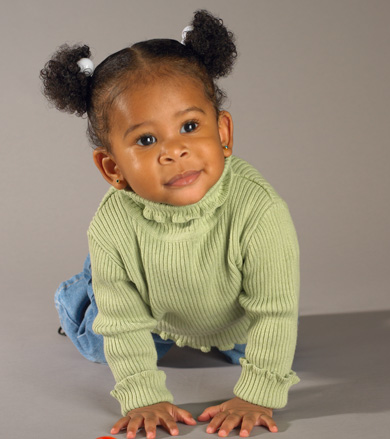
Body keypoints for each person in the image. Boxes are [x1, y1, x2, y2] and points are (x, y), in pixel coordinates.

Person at [41, 10, 300, 439]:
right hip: (154, 314)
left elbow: (274, 310)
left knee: (276, 347)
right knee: (97, 343)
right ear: (113, 168)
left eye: (190, 126)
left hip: (228, 319)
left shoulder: (259, 210)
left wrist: (257, 394)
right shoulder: (113, 225)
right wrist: (143, 396)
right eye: (146, 140)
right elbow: (125, 324)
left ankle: (203, 331)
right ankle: (79, 293)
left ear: (224, 133)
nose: (174, 151)